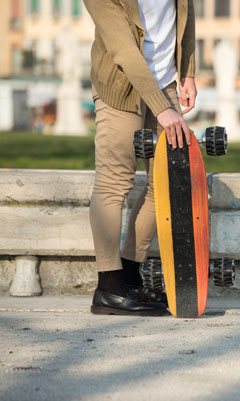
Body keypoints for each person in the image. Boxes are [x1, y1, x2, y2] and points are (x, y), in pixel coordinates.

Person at [83, 0, 197, 315]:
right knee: (114, 182)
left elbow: (185, 14)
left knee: (167, 181)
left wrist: (187, 71)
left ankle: (131, 277)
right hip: (120, 86)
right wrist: (161, 108)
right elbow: (123, 50)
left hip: (166, 84)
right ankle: (109, 286)